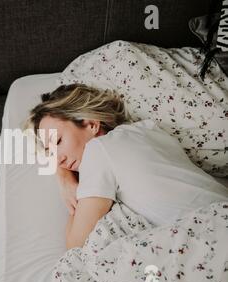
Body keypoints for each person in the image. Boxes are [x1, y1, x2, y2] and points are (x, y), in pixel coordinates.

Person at [26, 84, 228, 250]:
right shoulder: (147, 129)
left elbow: (76, 245)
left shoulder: (98, 150)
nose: (58, 159)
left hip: (212, 234)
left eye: (59, 141)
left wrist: (67, 183)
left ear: (91, 124)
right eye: (50, 152)